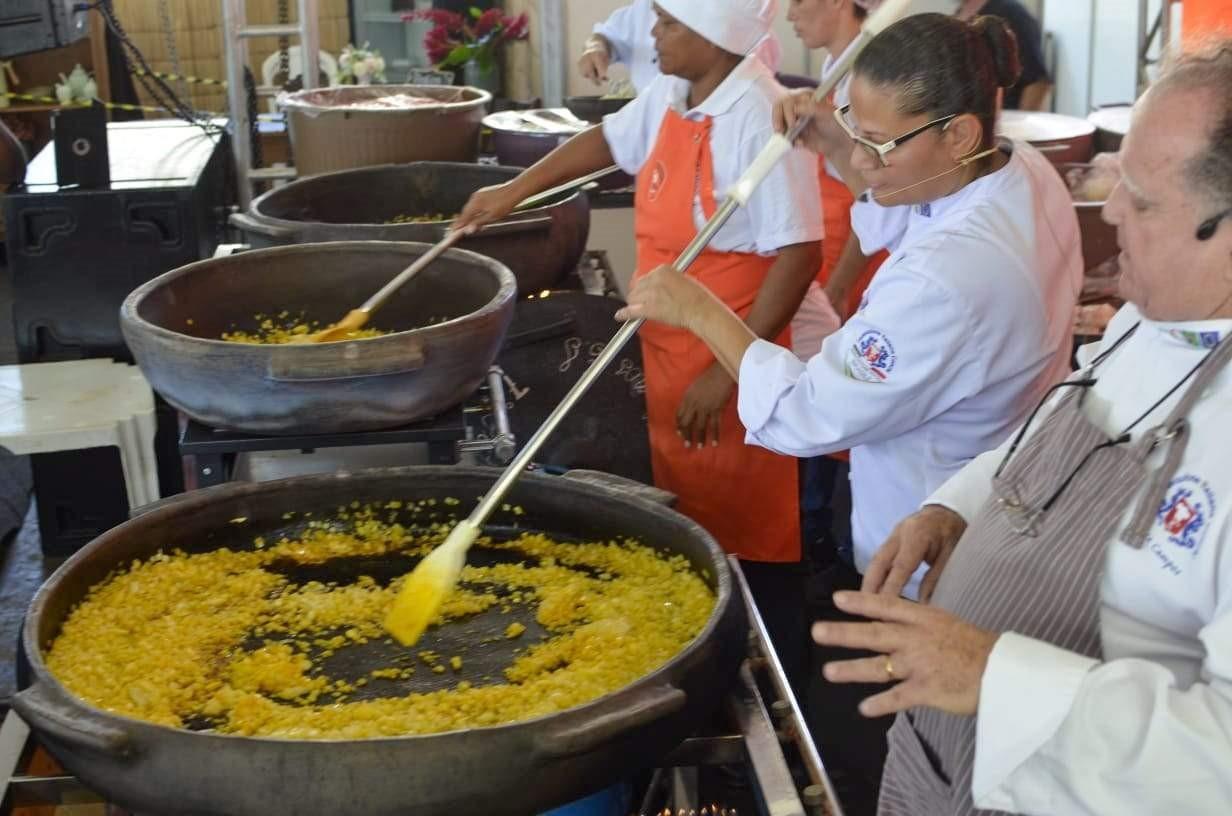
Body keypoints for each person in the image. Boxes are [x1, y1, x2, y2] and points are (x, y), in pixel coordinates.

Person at [615, 12, 1081, 810]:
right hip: (980, 497)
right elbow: (904, 194)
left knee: (915, 763)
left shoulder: (948, 279)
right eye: (858, 135)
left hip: (937, 562)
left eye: (881, 142)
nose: (864, 161)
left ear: (960, 130)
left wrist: (698, 310)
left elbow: (804, 412)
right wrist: (836, 145)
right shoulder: (1018, 170)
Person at [811, 40, 1232, 816]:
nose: (1107, 214)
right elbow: (1065, 414)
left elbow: (1220, 760)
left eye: (1138, 200)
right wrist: (958, 507)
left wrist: (992, 676)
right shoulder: (1155, 318)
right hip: (941, 761)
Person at [462, 0, 823, 692]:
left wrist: (730, 372)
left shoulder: (760, 116)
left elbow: (799, 254)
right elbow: (607, 141)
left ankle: (781, 696)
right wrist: (514, 192)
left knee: (760, 546)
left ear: (716, 39)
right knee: (699, 529)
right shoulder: (673, 92)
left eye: (668, 23)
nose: (651, 35)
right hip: (672, 345)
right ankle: (715, 669)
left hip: (739, 351)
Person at [579, 0, 782, 93]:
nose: (654, 32)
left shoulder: (740, 29)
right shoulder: (668, 94)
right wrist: (595, 47)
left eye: (667, 23)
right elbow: (607, 35)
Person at [958, 0, 1052, 111]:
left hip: (1004, 120)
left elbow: (1037, 81)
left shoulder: (1012, 12)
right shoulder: (958, 14)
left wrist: (1019, 124)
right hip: (965, 122)